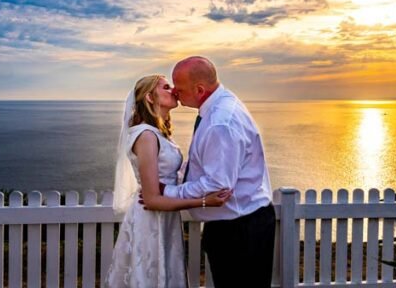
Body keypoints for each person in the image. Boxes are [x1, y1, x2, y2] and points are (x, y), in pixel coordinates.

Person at [106, 74, 232, 288]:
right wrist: (204, 201)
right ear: (149, 97)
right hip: (151, 218)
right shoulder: (146, 136)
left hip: (165, 218)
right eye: (165, 87)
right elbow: (152, 199)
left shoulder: (158, 133)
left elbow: (171, 176)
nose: (173, 89)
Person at [161, 56, 275, 287]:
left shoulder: (220, 123)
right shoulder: (218, 106)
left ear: (200, 89)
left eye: (179, 89)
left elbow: (217, 186)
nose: (175, 92)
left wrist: (170, 192)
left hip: (240, 230)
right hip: (237, 224)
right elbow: (205, 163)